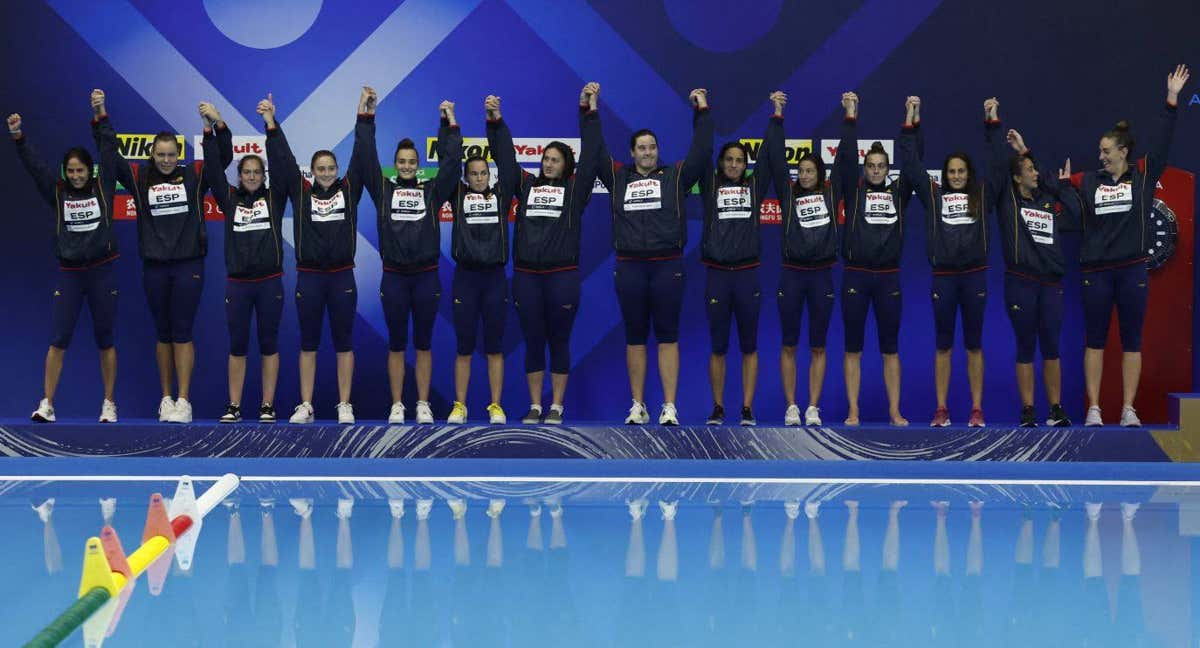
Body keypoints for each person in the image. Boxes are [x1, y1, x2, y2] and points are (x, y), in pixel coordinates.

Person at [92, 89, 232, 423]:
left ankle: (184, 401)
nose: (167, 160)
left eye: (172, 155)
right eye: (161, 155)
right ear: (152, 155)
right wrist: (101, 115)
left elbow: (221, 160)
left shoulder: (194, 177)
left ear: (179, 154)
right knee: (163, 333)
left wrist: (218, 123)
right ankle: (166, 398)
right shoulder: (140, 179)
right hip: (154, 267)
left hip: (188, 266)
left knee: (182, 331)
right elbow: (111, 154)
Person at [1076, 64, 1189, 427]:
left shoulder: (1143, 177)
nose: (1101, 155)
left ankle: (1128, 409)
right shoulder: (1089, 181)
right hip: (1096, 271)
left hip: (1131, 271)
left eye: (1107, 150)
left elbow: (1161, 143)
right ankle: (1093, 408)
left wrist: (1171, 101)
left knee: (1132, 341)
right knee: (1094, 339)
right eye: (1100, 150)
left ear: (1123, 151)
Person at [595, 88, 713, 425]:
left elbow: (703, 150)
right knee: (634, 337)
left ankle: (669, 407)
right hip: (630, 267)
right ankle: (638, 405)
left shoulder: (674, 176)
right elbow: (594, 151)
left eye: (653, 147)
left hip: (667, 267)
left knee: (667, 335)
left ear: (658, 151)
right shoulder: (618, 177)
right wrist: (588, 111)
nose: (648, 152)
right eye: (642, 148)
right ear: (632, 152)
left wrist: (702, 111)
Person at [487, 84, 602, 425]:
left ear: (566, 165)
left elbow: (593, 152)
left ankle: (557, 407)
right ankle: (536, 405)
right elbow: (506, 159)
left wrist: (589, 111)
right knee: (533, 340)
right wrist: (495, 122)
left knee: (559, 339)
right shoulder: (525, 186)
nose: (549, 163)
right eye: (545, 159)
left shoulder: (575, 190)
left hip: (562, 277)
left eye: (555, 160)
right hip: (526, 277)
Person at [355, 88, 461, 424]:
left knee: (425, 343)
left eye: (412, 162)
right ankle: (398, 404)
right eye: (401, 162)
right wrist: (366, 115)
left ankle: (424, 404)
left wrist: (449, 126)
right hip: (394, 277)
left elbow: (451, 164)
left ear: (419, 166)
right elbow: (366, 157)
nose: (405, 166)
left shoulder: (431, 191)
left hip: (426, 276)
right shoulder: (383, 189)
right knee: (397, 343)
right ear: (395, 164)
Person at [261, 90, 367, 424]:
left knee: (344, 342)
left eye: (331, 168)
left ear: (337, 170)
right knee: (308, 343)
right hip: (308, 277)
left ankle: (344, 404)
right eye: (320, 168)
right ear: (312, 171)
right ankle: (305, 405)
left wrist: (364, 116)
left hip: (341, 278)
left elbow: (362, 157)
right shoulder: (301, 192)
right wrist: (271, 125)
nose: (325, 172)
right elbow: (283, 161)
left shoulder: (349, 190)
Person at [10, 106, 120, 423]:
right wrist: (19, 137)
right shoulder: (57, 192)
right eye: (70, 171)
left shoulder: (103, 187)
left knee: (106, 339)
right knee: (58, 340)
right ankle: (47, 403)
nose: (75, 176)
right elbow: (35, 168)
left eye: (80, 170)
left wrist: (101, 116)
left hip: (102, 272)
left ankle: (109, 404)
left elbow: (110, 151)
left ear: (90, 171)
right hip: (70, 275)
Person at [987, 98, 1081, 427]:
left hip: (1051, 284)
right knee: (1026, 346)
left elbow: (1075, 213)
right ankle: (1028, 410)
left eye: (1035, 169)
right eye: (1029, 170)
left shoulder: (1047, 200)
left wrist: (1062, 183)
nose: (1036, 173)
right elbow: (1000, 165)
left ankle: (1055, 409)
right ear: (1016, 179)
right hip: (1020, 282)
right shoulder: (1008, 200)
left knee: (1051, 347)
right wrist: (995, 125)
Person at [898, 96, 989, 427]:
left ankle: (976, 409)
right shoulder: (934, 197)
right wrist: (911, 122)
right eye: (951, 171)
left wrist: (991, 122)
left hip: (975, 277)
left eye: (961, 170)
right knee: (943, 346)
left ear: (968, 173)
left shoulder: (981, 195)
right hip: (944, 279)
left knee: (975, 345)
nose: (956, 175)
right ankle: (941, 409)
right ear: (944, 175)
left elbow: (995, 163)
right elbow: (910, 166)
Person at [697, 92, 783, 426]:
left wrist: (776, 116)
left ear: (745, 165)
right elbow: (701, 150)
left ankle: (747, 408)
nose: (734, 164)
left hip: (747, 276)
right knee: (718, 347)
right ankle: (718, 407)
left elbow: (770, 156)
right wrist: (703, 109)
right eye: (728, 159)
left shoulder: (754, 186)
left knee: (749, 346)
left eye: (739, 160)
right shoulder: (709, 187)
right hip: (718, 275)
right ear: (721, 164)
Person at [200, 101, 286, 423]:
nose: (251, 176)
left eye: (256, 172)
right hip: (238, 284)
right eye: (246, 172)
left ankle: (267, 405)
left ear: (264, 176)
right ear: (239, 176)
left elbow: (283, 162)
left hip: (269, 283)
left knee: (268, 343)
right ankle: (233, 406)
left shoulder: (275, 197)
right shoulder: (230, 198)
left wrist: (270, 123)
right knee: (237, 345)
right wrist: (211, 129)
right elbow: (211, 170)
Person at [836, 92, 914, 426]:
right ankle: (853, 410)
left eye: (881, 166)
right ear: (865, 168)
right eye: (871, 166)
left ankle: (894, 411)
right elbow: (843, 161)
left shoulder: (899, 192)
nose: (876, 170)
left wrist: (910, 120)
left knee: (890, 348)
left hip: (888, 278)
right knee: (853, 347)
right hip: (855, 275)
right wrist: (851, 116)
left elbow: (913, 161)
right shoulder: (853, 192)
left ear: (888, 168)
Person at [766, 96, 841, 426]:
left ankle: (813, 407)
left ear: (821, 175)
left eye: (811, 170)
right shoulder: (788, 193)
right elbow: (775, 160)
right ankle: (791, 407)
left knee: (819, 346)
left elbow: (848, 159)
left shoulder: (830, 192)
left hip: (822, 276)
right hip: (792, 276)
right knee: (788, 344)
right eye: (801, 170)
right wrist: (778, 117)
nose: (804, 174)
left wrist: (850, 119)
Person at [444, 97, 518, 425]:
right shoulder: (456, 194)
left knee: (494, 346)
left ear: (490, 174)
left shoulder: (502, 195)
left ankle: (495, 406)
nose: (477, 177)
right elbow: (448, 163)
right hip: (465, 278)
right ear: (466, 177)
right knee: (463, 345)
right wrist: (450, 123)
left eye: (482, 172)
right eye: (472, 173)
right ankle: (459, 405)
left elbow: (509, 160)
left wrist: (495, 123)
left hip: (495, 279)